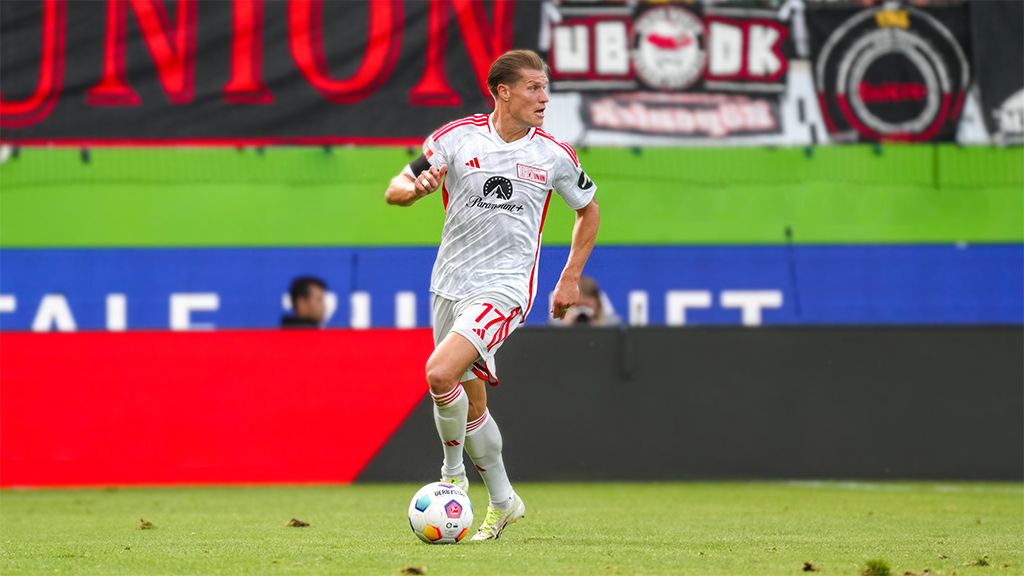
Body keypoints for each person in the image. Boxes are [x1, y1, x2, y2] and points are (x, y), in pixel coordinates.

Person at [384, 49, 600, 541]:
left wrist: (568, 277)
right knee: (472, 402)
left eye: (545, 88)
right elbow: (396, 186)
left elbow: (589, 210)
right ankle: (504, 501)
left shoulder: (554, 155)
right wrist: (416, 189)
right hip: (449, 284)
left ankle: (451, 478)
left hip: (504, 288)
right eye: (533, 88)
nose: (544, 97)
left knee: (440, 372)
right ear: (502, 91)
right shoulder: (455, 139)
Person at [551, 275, 621, 327]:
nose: (582, 310)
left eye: (586, 306)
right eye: (577, 306)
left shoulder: (612, 326)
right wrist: (566, 328)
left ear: (597, 303)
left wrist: (598, 329)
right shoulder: (555, 327)